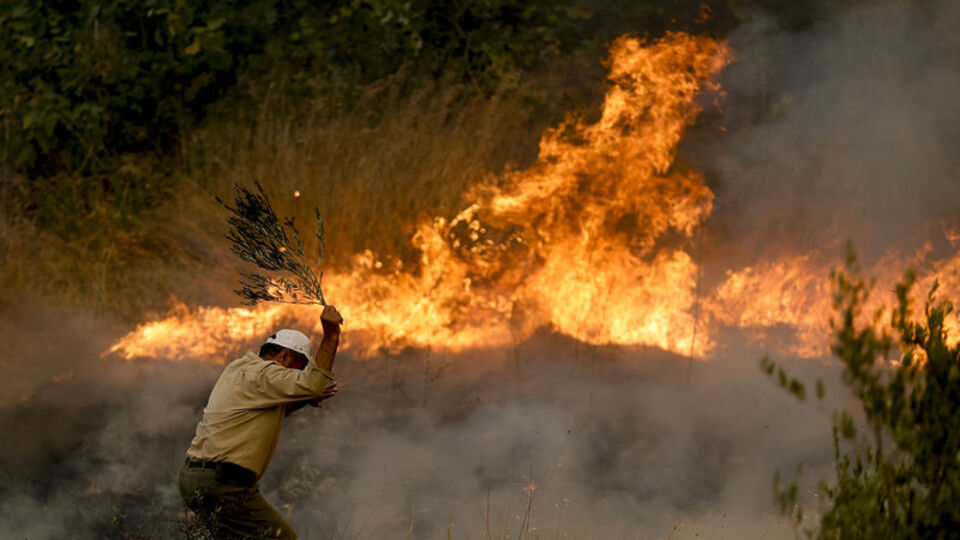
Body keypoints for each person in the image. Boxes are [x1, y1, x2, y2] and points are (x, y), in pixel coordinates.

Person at [178, 304, 344, 539]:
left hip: (194, 478)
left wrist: (303, 401)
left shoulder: (240, 368)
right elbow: (313, 383)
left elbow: (271, 410)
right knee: (283, 537)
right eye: (301, 367)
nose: (298, 374)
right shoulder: (267, 373)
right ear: (285, 356)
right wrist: (331, 334)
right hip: (223, 483)